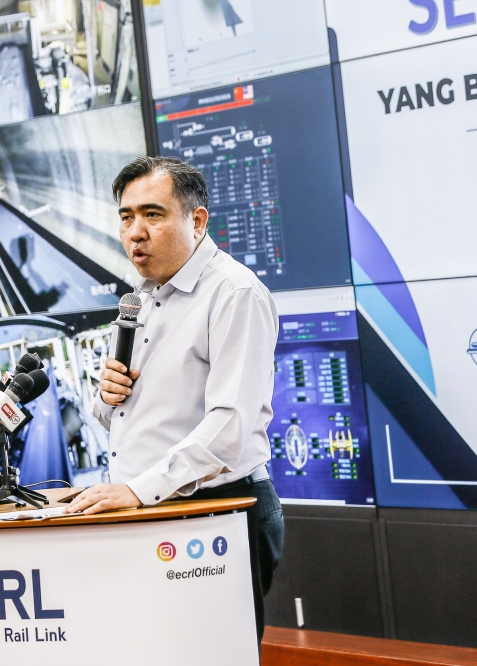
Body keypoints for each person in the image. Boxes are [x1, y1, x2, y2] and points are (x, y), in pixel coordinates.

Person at [65, 156, 284, 645]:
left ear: (197, 220)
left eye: (152, 214)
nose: (135, 232)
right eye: (126, 217)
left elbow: (229, 428)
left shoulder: (234, 293)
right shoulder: (141, 298)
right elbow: (126, 419)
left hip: (216, 512)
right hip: (148, 511)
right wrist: (106, 397)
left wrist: (140, 489)